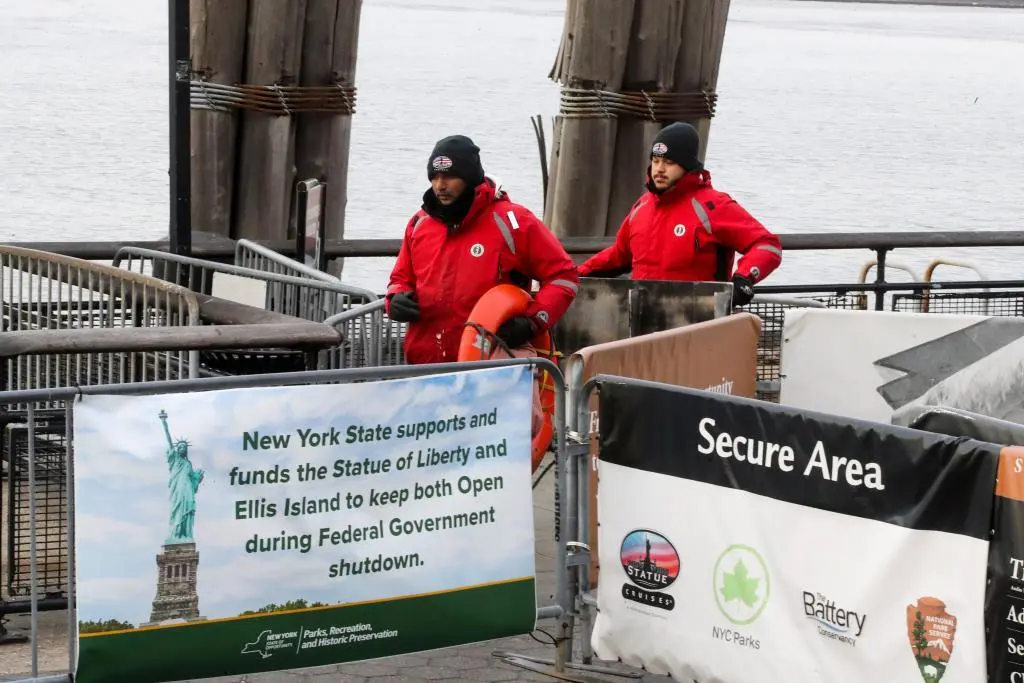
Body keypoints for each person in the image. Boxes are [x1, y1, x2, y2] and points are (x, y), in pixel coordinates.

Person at [384, 134, 580, 365]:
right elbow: (401, 278)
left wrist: (532, 322)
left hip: (492, 364)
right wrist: (395, 300)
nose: (440, 185)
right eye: (434, 177)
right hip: (425, 365)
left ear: (470, 177)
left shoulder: (514, 222)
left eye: (449, 176)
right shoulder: (419, 223)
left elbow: (563, 277)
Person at [576, 122, 782, 307]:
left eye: (669, 162)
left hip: (701, 321)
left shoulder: (713, 206)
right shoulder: (642, 206)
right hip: (642, 319)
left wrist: (744, 278)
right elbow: (620, 254)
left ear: (687, 165)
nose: (659, 169)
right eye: (656, 160)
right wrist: (577, 274)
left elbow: (767, 244)